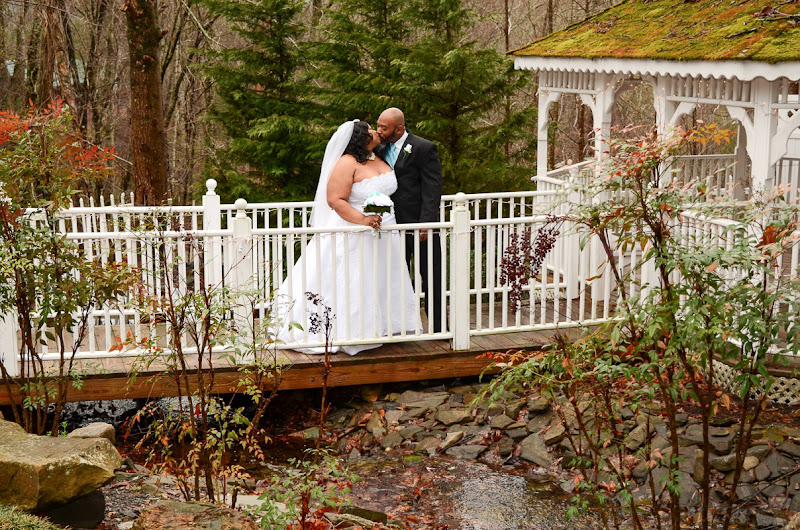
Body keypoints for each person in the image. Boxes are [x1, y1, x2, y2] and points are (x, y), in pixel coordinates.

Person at [274, 120, 421, 355]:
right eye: (371, 130)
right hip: (354, 232)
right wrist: (362, 219)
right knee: (353, 279)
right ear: (362, 138)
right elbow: (335, 199)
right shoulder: (346, 162)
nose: (376, 131)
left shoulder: (378, 158)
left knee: (380, 278)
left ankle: (382, 327)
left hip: (385, 233)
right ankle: (347, 330)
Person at [376, 108, 445, 333]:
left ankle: (439, 327)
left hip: (419, 225)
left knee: (431, 276)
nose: (379, 131)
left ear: (399, 128)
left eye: (384, 128)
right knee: (396, 277)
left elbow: (432, 189)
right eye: (378, 126)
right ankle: (400, 327)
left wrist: (426, 223)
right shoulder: (378, 148)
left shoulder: (424, 148)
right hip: (391, 226)